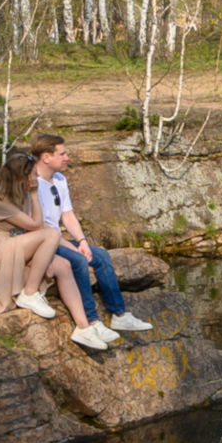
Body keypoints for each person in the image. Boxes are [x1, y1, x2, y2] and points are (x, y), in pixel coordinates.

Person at [0, 150, 115, 350]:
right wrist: (33, 193)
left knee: (63, 265)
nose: (36, 177)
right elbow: (36, 225)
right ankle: (29, 293)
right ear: (21, 178)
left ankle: (84, 327)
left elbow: (41, 228)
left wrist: (60, 253)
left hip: (8, 246)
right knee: (53, 234)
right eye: (32, 174)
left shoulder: (18, 194)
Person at [31, 133, 152, 338]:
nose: (67, 158)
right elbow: (39, 226)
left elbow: (67, 215)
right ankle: (91, 320)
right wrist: (73, 249)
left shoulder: (59, 179)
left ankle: (119, 314)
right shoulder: (31, 183)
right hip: (40, 241)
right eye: (62, 154)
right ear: (46, 157)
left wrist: (82, 241)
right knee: (78, 260)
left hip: (57, 237)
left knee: (101, 256)